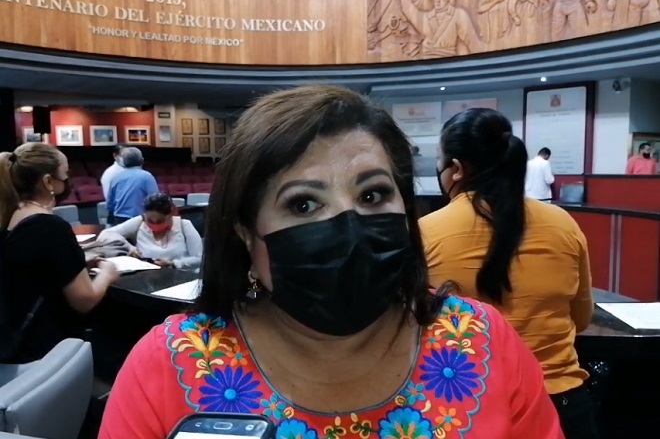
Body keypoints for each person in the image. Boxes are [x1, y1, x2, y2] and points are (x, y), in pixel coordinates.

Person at [99, 86, 563, 439]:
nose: (349, 228)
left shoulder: (484, 341)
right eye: (303, 204)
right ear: (245, 234)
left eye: (373, 195)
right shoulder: (166, 365)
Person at [419, 108, 597, 439]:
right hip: (564, 404)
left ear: (456, 169)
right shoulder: (564, 224)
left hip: (471, 411)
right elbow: (582, 318)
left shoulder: (426, 233)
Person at [0, 143, 118, 363]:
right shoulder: (50, 226)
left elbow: (33, 270)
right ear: (47, 182)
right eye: (65, 174)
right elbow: (85, 300)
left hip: (13, 338)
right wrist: (108, 273)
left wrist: (74, 265)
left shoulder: (9, 214)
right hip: (43, 349)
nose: (67, 180)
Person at [99, 193, 203, 269]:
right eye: (150, 220)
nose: (155, 225)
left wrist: (174, 263)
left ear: (170, 215)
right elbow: (106, 234)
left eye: (160, 221)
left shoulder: (184, 225)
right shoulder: (139, 222)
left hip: (180, 278)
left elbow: (200, 259)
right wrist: (129, 247)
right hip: (146, 278)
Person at [106, 147, 159, 225]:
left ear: (123, 162)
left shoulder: (115, 178)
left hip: (119, 221)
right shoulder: (147, 177)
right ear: (142, 160)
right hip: (140, 220)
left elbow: (109, 204)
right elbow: (155, 201)